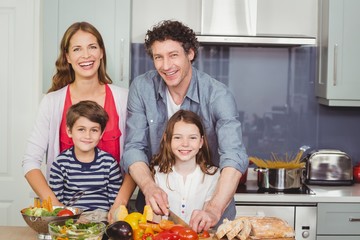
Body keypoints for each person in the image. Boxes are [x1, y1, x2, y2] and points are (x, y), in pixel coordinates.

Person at [119, 20, 248, 232]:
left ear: (190, 53)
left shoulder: (218, 95)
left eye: (173, 55)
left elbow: (233, 155)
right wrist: (149, 187)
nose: (166, 66)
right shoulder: (142, 88)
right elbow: (134, 149)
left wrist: (214, 208)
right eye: (158, 57)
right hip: (156, 219)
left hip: (210, 220)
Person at [22, 22, 135, 218]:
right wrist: (57, 208)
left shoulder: (124, 99)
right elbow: (30, 162)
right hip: (65, 215)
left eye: (92, 47)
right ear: (68, 57)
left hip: (114, 212)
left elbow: (136, 156)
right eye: (77, 49)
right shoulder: (52, 102)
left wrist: (120, 204)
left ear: (101, 52)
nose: (86, 55)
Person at [149, 110, 230, 227]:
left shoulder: (213, 175)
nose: (185, 144)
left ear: (201, 142)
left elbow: (206, 224)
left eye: (192, 138)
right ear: (167, 139)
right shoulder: (157, 174)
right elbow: (154, 223)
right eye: (177, 137)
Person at [49, 100, 122, 221]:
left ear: (101, 133)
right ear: (69, 131)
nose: (87, 136)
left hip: (102, 218)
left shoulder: (109, 163)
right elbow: (57, 205)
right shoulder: (60, 164)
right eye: (81, 129)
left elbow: (115, 204)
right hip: (73, 218)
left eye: (94, 130)